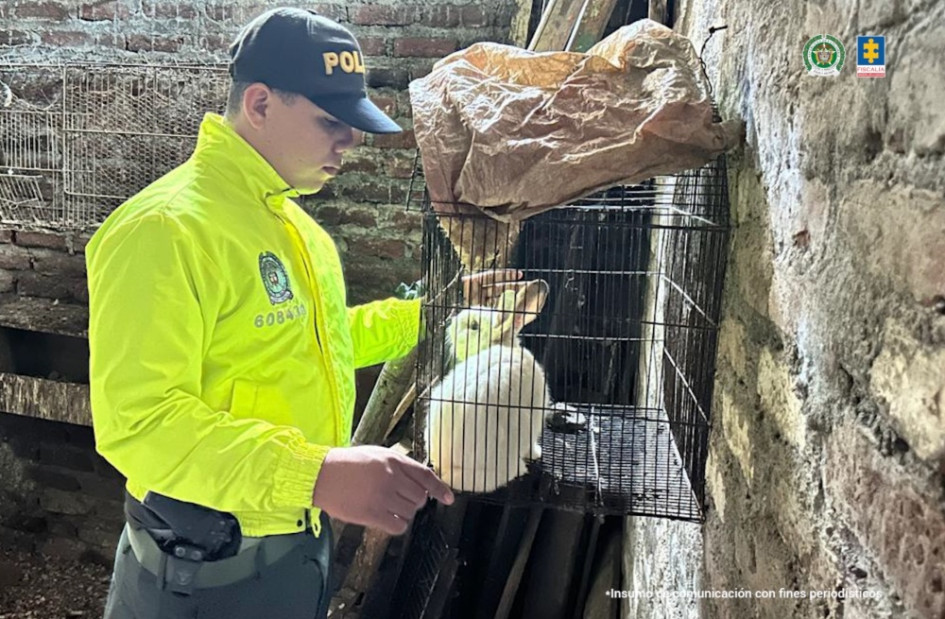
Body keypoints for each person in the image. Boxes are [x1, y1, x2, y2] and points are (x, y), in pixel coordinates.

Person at [86, 8, 517, 618]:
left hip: (293, 552)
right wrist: (318, 473)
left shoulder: (297, 228)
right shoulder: (163, 230)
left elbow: (322, 344)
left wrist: (440, 312)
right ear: (260, 104)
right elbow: (140, 425)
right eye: (330, 121)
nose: (352, 141)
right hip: (199, 581)